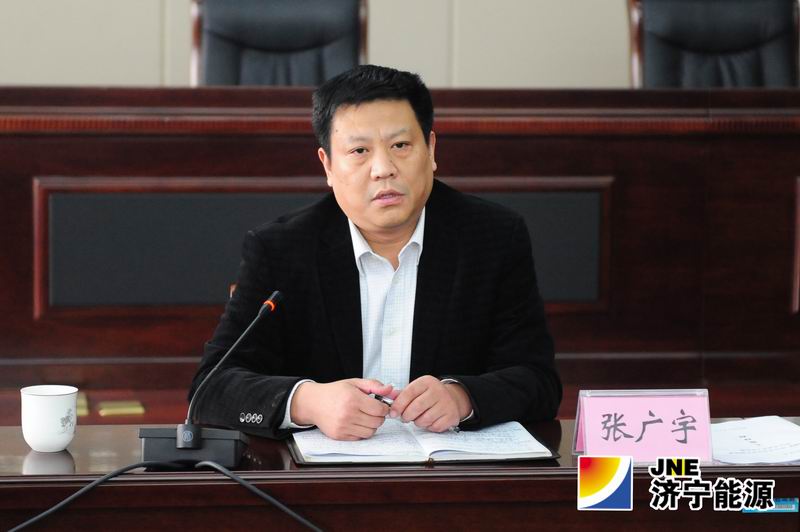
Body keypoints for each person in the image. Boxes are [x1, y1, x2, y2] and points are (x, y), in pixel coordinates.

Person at [189, 65, 561, 440]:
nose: (383, 169)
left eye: (400, 146)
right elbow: (210, 391)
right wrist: (308, 402)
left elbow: (538, 381)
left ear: (431, 149)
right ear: (327, 165)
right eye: (359, 151)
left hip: (447, 467)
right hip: (323, 472)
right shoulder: (281, 250)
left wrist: (462, 397)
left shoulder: (493, 238)